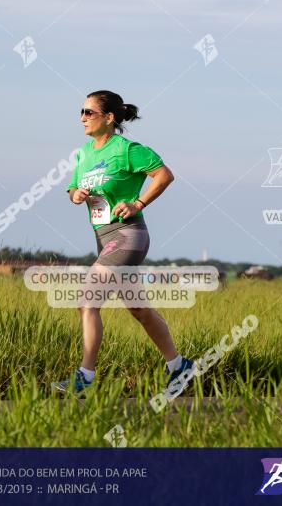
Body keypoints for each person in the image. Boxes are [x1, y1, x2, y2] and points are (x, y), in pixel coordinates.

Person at [53, 90, 194, 393]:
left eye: (88, 112)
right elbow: (74, 188)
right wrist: (75, 194)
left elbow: (164, 176)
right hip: (104, 238)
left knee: (87, 301)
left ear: (109, 117)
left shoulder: (128, 149)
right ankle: (179, 366)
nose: (82, 118)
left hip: (128, 235)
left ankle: (85, 378)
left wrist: (138, 204)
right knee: (138, 309)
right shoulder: (84, 153)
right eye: (81, 112)